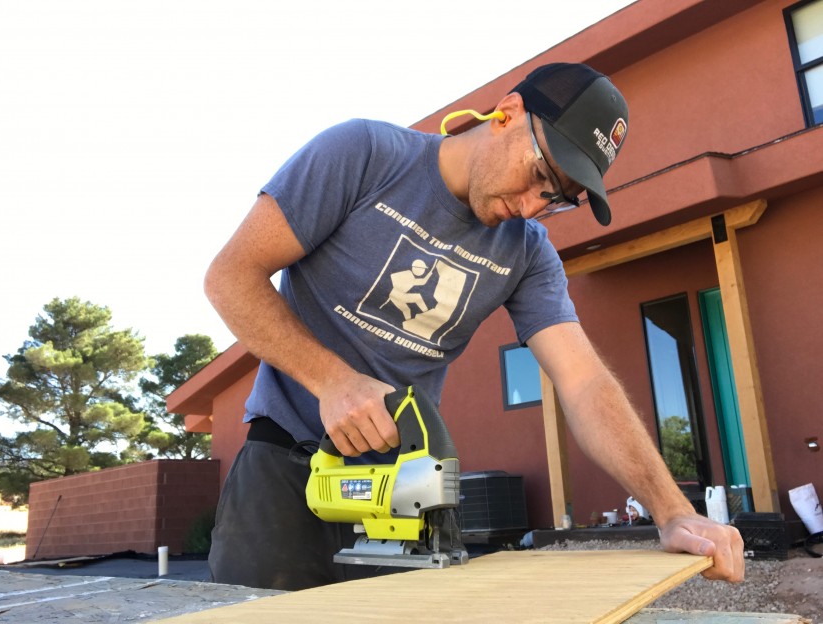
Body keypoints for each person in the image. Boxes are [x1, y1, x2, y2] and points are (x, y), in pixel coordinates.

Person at [203, 63, 745, 590]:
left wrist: (673, 511)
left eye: (555, 198)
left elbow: (583, 382)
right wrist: (331, 381)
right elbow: (230, 277)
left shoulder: (527, 254)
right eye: (540, 176)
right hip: (286, 469)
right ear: (508, 113)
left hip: (407, 489)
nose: (531, 207)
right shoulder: (364, 155)